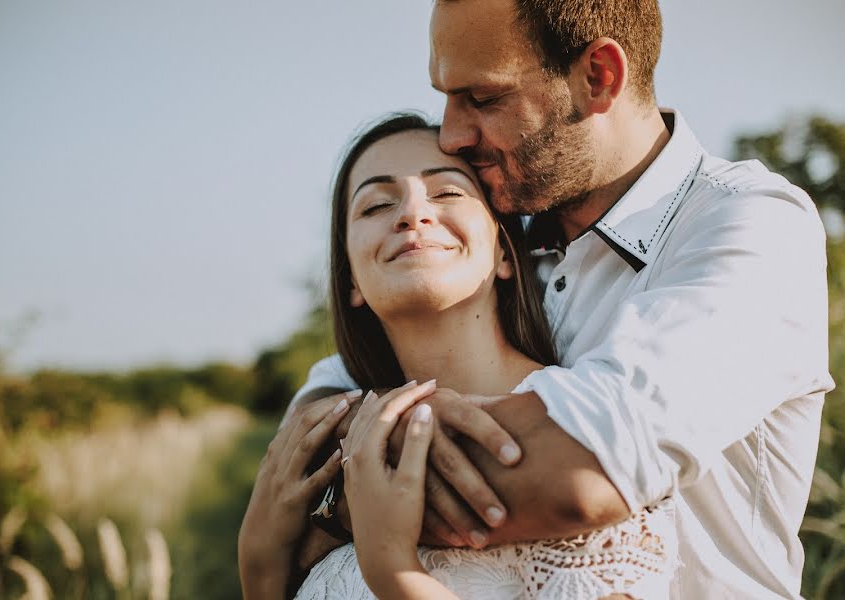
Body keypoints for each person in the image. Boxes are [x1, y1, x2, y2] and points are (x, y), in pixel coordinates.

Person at [288, 0, 833, 598]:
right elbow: (325, 403)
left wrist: (333, 499)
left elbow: (580, 470)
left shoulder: (747, 225)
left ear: (598, 76)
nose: (451, 134)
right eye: (445, 95)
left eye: (484, 98)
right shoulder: (496, 230)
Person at [239, 114, 676, 599]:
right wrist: (259, 567)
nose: (410, 213)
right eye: (376, 205)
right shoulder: (326, 450)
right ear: (351, 283)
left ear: (505, 252)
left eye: (446, 192)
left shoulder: (582, 431)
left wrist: (394, 572)